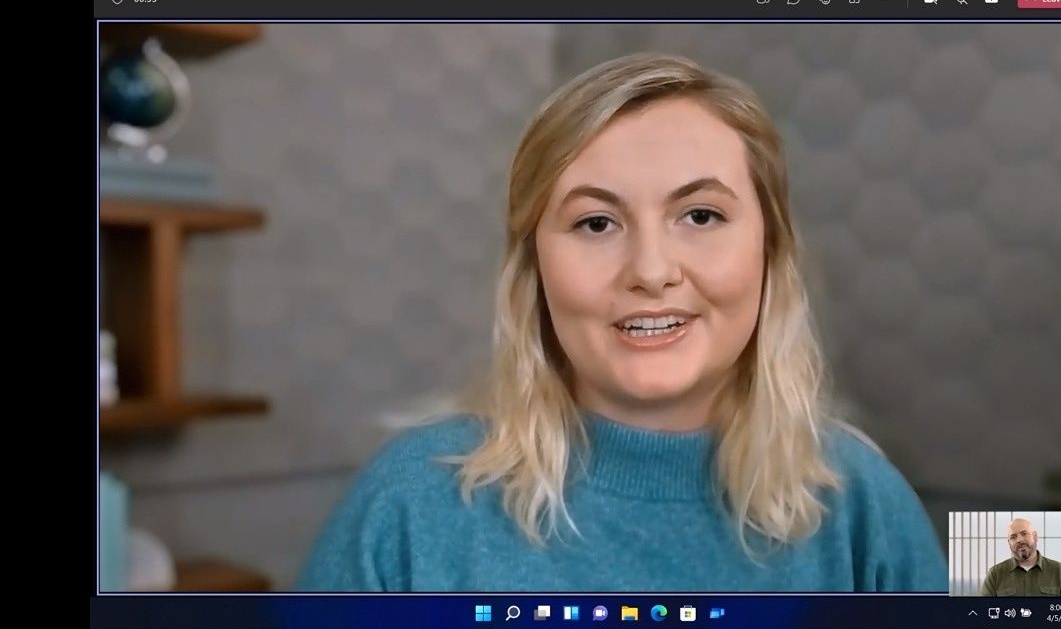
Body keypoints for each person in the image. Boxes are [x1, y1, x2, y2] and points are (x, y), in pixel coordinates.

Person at [297, 53, 949, 592]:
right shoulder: (409, 505)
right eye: (595, 223)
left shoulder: (864, 505)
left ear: (770, 249)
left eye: (700, 215)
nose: (651, 269)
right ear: (534, 268)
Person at [980, 518, 1061, 596]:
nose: (1019, 540)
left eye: (1024, 533)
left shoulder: (1059, 571)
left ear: (1035, 536)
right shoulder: (995, 574)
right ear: (1009, 543)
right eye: (1013, 537)